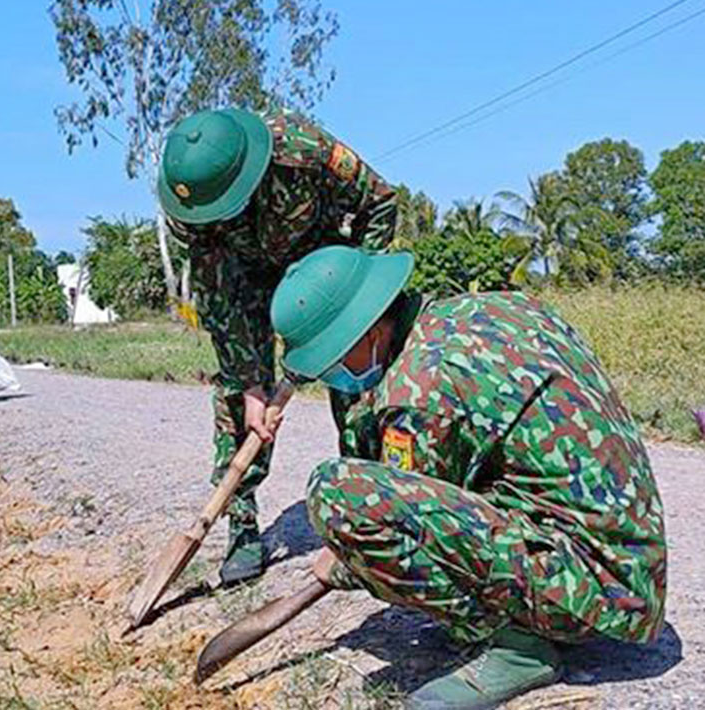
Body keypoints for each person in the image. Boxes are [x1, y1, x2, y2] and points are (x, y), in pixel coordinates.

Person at [269, 246, 667, 709]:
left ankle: (515, 647)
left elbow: (402, 522)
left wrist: (344, 561)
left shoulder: (416, 390)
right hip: (631, 567)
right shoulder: (487, 308)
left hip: (590, 595)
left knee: (337, 495)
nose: (333, 377)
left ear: (370, 328)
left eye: (335, 359)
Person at [157, 106, 398, 584]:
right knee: (236, 398)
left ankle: (369, 518)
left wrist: (357, 298)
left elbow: (381, 202)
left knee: (358, 388)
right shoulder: (190, 207)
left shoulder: (302, 150)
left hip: (321, 266)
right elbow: (217, 296)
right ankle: (241, 523)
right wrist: (250, 385)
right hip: (245, 282)